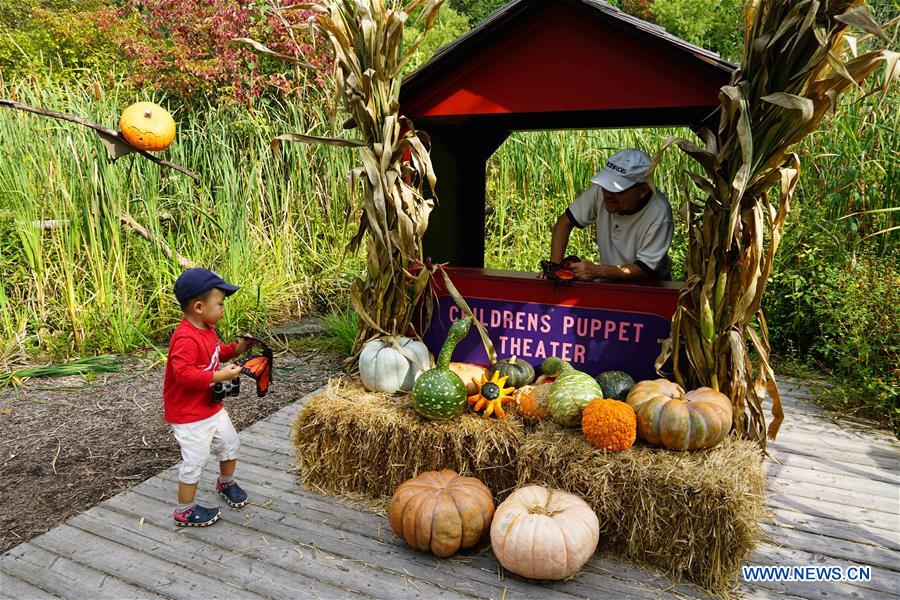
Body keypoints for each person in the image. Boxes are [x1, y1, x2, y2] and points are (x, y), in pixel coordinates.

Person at [165, 268, 258, 527]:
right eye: (220, 304)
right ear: (198, 306)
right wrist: (218, 377)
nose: (223, 308)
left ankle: (225, 482)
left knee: (230, 443)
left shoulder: (207, 328)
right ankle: (184, 511)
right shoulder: (185, 337)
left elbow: (216, 355)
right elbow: (182, 374)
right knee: (195, 461)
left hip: (211, 407)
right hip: (189, 415)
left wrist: (237, 349)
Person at [549, 148, 673, 281]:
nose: (607, 194)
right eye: (606, 185)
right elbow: (565, 222)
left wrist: (597, 271)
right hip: (609, 281)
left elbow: (645, 269)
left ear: (643, 190)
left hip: (649, 287)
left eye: (617, 190)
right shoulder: (600, 192)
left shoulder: (660, 213)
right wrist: (555, 269)